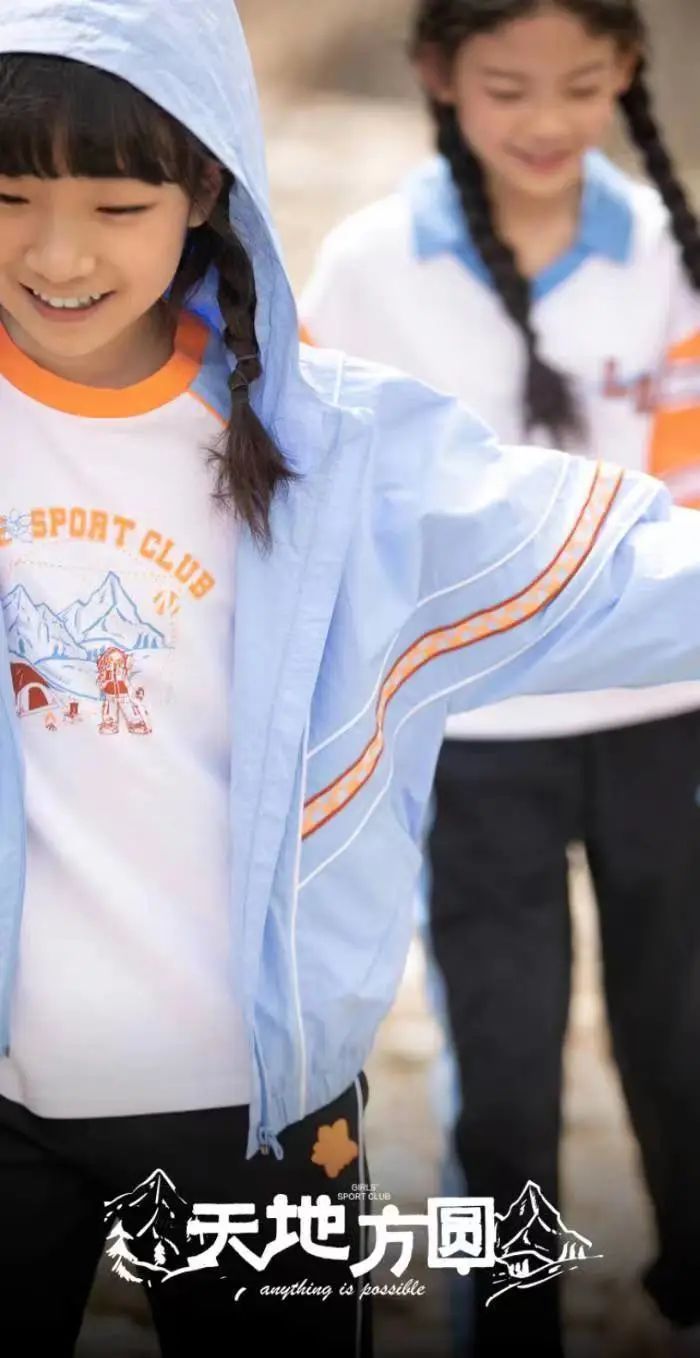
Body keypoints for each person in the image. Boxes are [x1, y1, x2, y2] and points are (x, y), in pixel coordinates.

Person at [0, 3, 700, 1357]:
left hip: (262, 1111)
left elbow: (633, 575)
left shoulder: (342, 454)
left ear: (209, 189)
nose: (58, 252)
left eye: (117, 205)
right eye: (8, 198)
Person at [299, 2, 700, 1354]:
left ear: (626, 74)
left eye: (582, 85)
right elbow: (337, 501)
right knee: (505, 1066)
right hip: (472, 731)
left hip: (664, 718)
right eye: (508, 86)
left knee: (681, 1038)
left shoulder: (666, 251)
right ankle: (509, 1325)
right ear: (438, 76)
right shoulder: (370, 267)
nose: (547, 121)